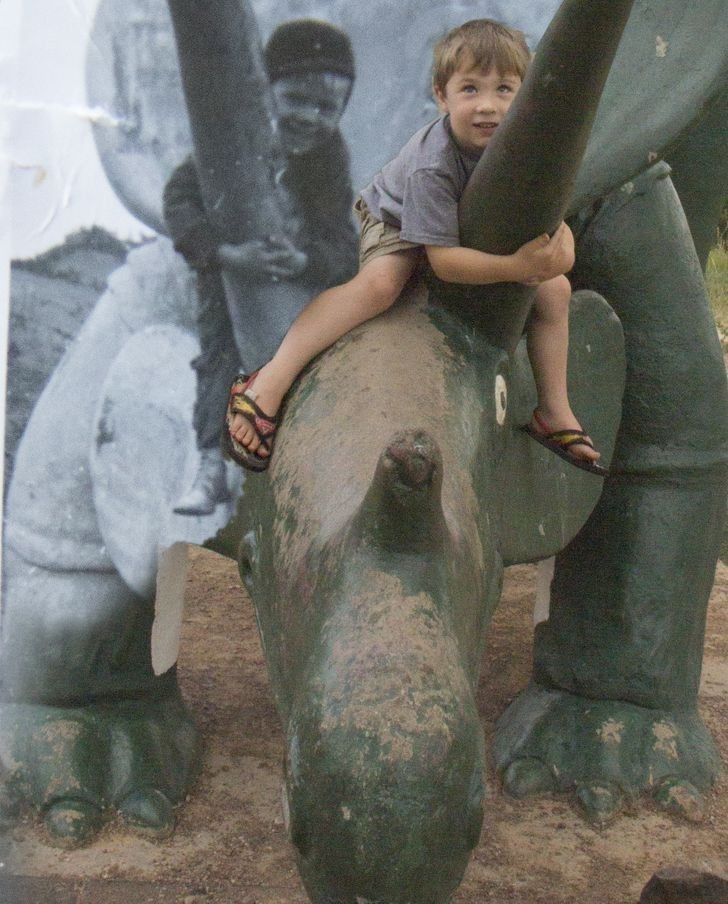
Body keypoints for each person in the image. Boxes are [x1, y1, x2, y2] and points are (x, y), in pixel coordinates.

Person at [225, 18, 605, 476]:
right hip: (398, 219)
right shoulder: (432, 165)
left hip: (464, 229)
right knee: (381, 286)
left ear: (524, 97)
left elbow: (556, 232)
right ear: (442, 96)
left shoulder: (528, 149)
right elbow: (443, 264)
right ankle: (269, 380)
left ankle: (554, 410)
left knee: (556, 291)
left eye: (504, 89)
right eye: (470, 89)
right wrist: (516, 266)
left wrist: (554, 258)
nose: (487, 106)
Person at [164, 20, 359, 514]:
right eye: (296, 99)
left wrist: (305, 260)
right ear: (265, 92)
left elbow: (343, 242)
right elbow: (180, 202)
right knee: (219, 359)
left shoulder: (329, 158)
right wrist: (226, 257)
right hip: (229, 275)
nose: (310, 117)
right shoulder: (232, 142)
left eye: (327, 107)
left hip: (299, 286)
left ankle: (309, 465)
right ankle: (210, 466)